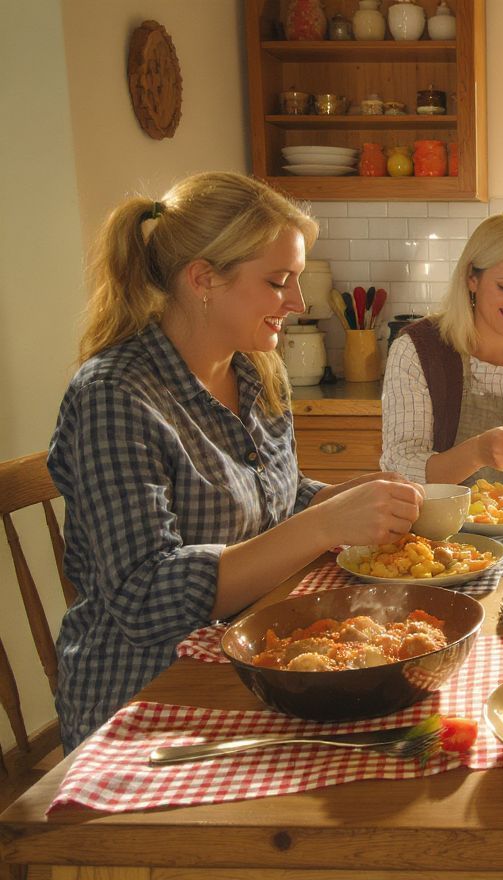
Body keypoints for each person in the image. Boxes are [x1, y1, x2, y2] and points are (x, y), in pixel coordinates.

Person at [47, 172, 424, 751]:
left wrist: (340, 499)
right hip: (147, 696)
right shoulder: (115, 396)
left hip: (253, 654)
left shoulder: (253, 370)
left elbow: (276, 494)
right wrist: (324, 525)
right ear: (203, 279)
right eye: (279, 282)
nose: (297, 303)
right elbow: (146, 599)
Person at [380, 212, 503, 491]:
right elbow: (400, 467)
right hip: (443, 531)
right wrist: (477, 453)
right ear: (472, 278)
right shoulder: (417, 349)